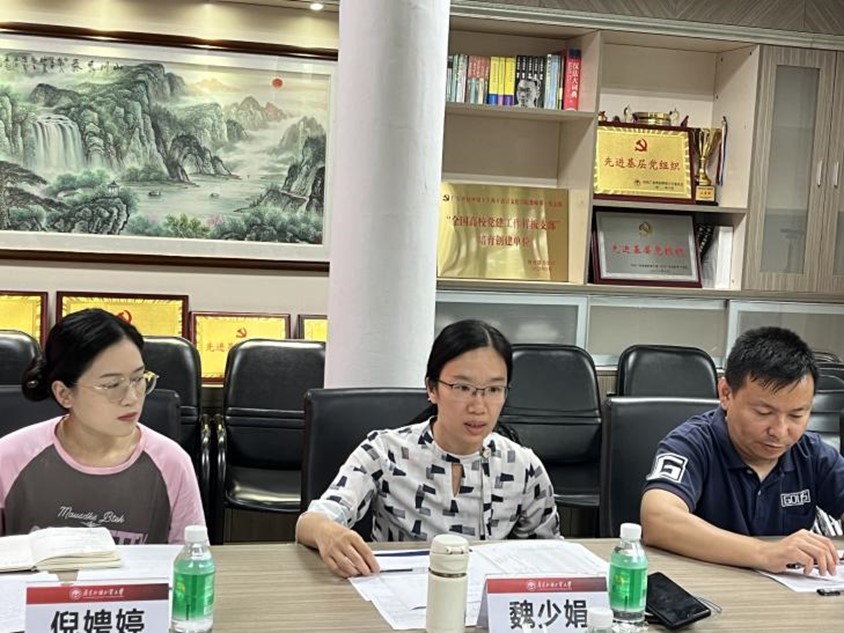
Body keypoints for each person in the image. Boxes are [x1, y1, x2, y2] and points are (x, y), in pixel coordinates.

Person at [296, 319, 560, 578]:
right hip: (400, 592)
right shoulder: (385, 452)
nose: (479, 406)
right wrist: (327, 532)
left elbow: (552, 554)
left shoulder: (523, 466)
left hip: (483, 600)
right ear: (432, 389)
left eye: (493, 389)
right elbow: (311, 521)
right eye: (463, 387)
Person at [641, 326, 844, 575]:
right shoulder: (691, 444)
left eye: (796, 415)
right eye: (763, 413)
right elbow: (658, 520)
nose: (780, 431)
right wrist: (765, 553)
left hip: (788, 595)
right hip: (708, 586)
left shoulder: (812, 453)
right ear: (726, 394)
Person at [0, 308, 205, 544]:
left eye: (138, 379)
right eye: (112, 385)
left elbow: (193, 557)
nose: (131, 398)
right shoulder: (10, 457)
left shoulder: (171, 463)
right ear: (64, 394)